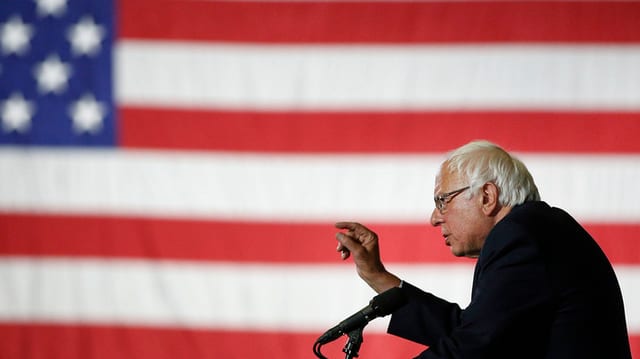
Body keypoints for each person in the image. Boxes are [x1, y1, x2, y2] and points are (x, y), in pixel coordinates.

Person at [334, 140, 631, 359]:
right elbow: (474, 330)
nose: (434, 217)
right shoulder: (536, 231)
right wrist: (377, 275)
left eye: (442, 201)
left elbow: (475, 346)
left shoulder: (521, 236)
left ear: (487, 196)